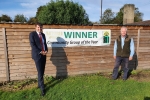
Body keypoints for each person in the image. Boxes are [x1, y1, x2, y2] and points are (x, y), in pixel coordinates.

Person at [29, 23, 48, 96]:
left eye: (41, 27)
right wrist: (41, 52)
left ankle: (39, 84)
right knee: (40, 72)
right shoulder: (32, 34)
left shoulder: (43, 35)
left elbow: (44, 44)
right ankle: (42, 89)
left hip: (44, 55)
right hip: (37, 55)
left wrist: (46, 50)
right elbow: (33, 45)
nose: (39, 28)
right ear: (35, 28)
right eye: (38, 27)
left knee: (42, 71)